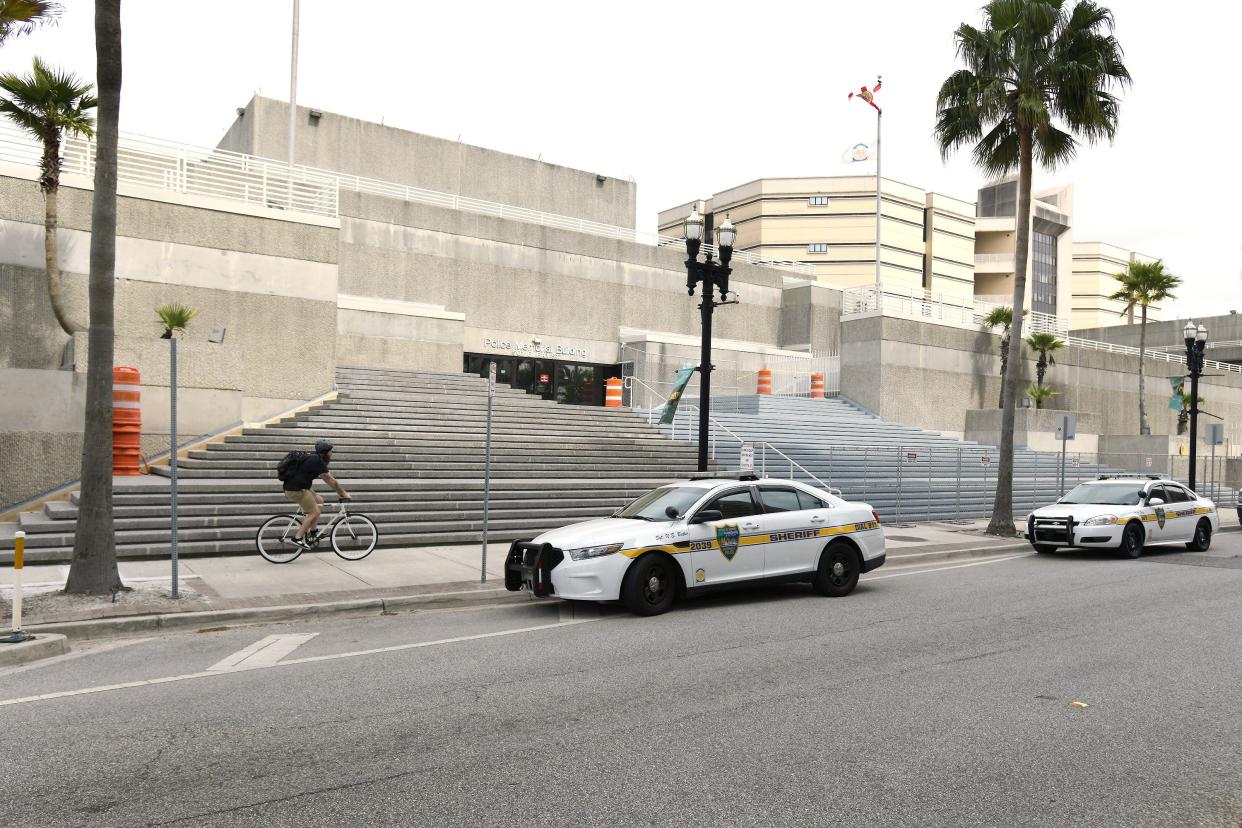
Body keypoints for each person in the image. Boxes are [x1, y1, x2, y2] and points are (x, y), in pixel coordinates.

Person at [283, 438, 352, 548]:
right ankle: (297, 538)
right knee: (314, 511)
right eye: (331, 451)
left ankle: (313, 531)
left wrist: (340, 491)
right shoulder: (317, 461)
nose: (332, 453)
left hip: (299, 487)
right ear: (326, 452)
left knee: (319, 500)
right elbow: (330, 480)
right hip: (296, 489)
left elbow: (327, 477)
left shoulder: (315, 458)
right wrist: (343, 493)